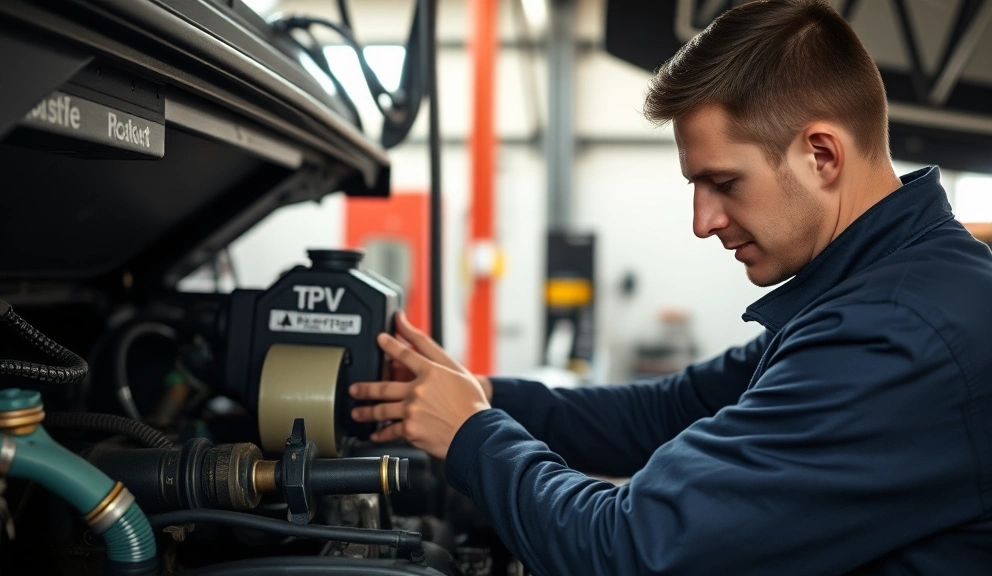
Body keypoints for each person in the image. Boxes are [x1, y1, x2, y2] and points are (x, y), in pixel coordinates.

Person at [349, 1, 992, 574]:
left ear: (821, 155)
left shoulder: (895, 334)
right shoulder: (872, 292)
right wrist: (477, 393)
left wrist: (471, 433)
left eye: (725, 183)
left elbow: (628, 550)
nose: (702, 221)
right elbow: (667, 411)